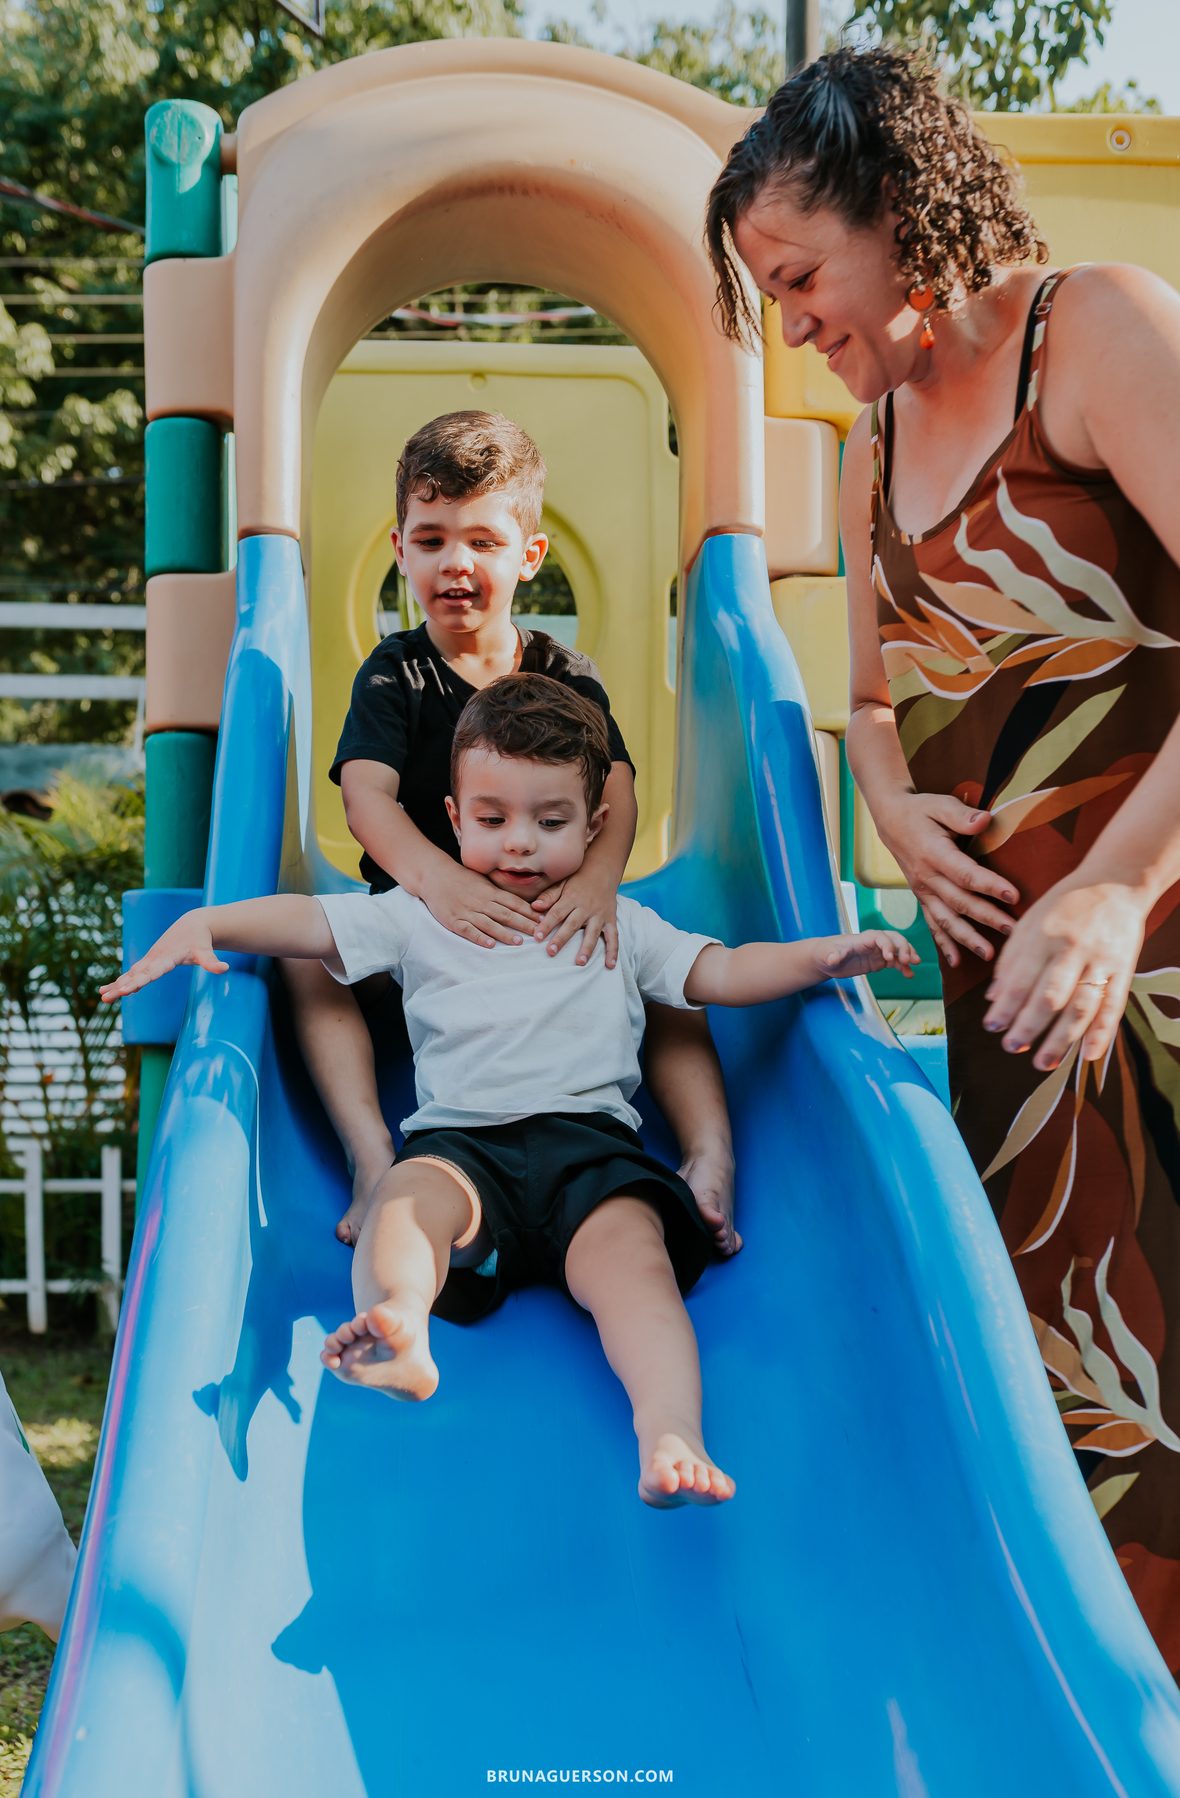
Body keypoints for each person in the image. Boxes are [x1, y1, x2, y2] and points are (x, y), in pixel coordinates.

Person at [707, 45, 1180, 1665]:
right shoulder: (868, 450)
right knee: (1076, 1419)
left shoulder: (1097, 331)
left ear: (896, 208)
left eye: (797, 277)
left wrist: (1118, 884)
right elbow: (863, 703)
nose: (791, 322)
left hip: (1156, 983)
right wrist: (895, 809)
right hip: (1019, 1032)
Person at [103, 675, 916, 1507]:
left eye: (550, 821)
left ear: (596, 826)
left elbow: (720, 972)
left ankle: (669, 1430)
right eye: (491, 820)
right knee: (403, 1205)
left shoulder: (618, 922)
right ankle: (402, 1329)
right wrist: (207, 923)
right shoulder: (421, 914)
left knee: (637, 1269)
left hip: (593, 1154)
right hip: (460, 1147)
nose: (519, 842)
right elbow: (308, 925)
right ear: (453, 819)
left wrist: (825, 957)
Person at [285, 410, 738, 1257]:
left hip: (550, 922)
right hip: (429, 926)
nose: (455, 563)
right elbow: (366, 797)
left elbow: (621, 791)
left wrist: (599, 883)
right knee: (307, 960)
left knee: (669, 980)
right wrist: (439, 882)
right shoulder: (395, 673)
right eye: (432, 540)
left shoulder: (564, 675)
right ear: (400, 550)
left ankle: (708, 1155)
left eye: (483, 541)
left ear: (528, 556)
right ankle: (371, 1154)